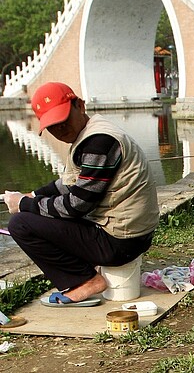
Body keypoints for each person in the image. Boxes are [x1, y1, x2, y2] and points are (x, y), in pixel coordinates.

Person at [4, 82, 159, 306]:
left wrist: (25, 205)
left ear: (80, 105)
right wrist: (31, 195)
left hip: (121, 242)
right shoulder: (91, 132)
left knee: (21, 224)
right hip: (129, 235)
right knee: (35, 212)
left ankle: (83, 281)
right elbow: (68, 183)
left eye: (64, 120)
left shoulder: (99, 142)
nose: (60, 130)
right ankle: (83, 275)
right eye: (53, 126)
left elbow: (76, 205)